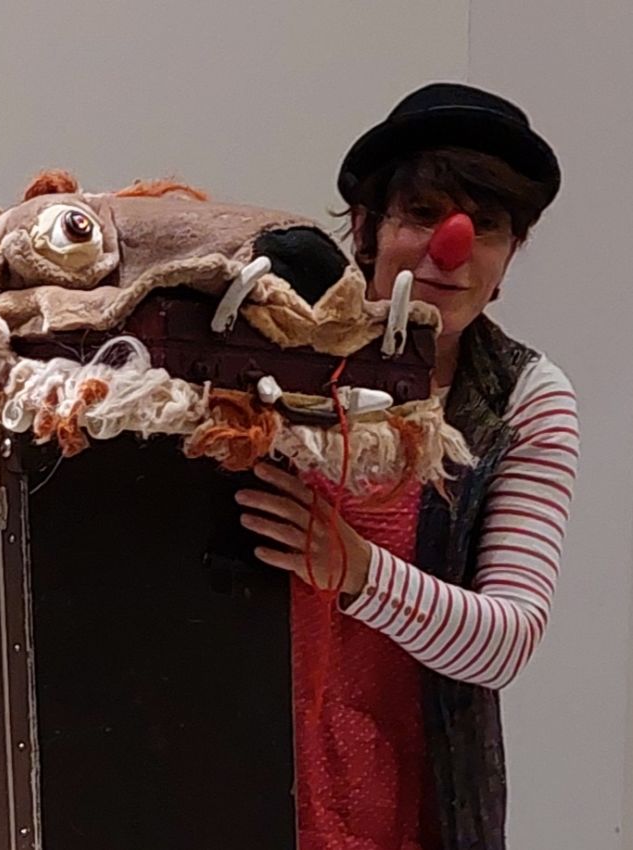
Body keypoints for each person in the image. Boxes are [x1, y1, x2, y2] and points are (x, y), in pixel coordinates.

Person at [236, 82, 579, 849]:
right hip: (244, 779)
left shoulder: (523, 398)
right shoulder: (263, 355)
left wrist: (356, 570)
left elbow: (507, 639)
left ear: (509, 254)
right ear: (365, 228)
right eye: (421, 214)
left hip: (411, 804)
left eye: (485, 227)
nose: (450, 249)